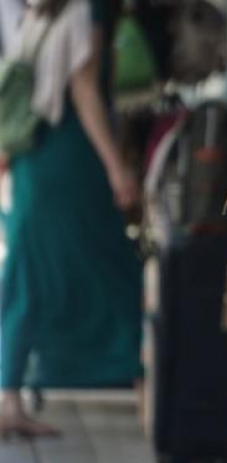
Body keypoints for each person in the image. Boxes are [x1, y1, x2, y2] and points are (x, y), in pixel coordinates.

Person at [0, 0, 142, 438]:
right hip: (70, 159)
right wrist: (116, 166)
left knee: (32, 271)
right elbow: (84, 90)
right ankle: (142, 379)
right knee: (111, 269)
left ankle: (10, 395)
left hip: (35, 157)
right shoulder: (88, 8)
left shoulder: (45, 9)